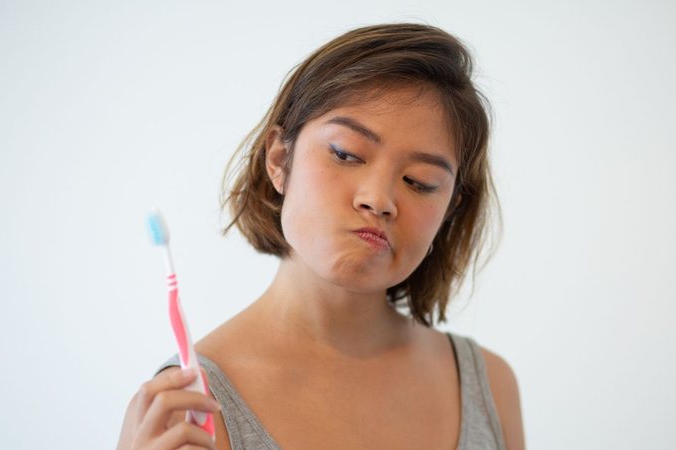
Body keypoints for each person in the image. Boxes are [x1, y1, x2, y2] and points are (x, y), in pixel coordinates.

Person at [117, 23, 525, 450]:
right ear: (279, 159)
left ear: (450, 209)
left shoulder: (490, 388)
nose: (379, 199)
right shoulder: (186, 411)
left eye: (420, 181)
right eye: (347, 154)